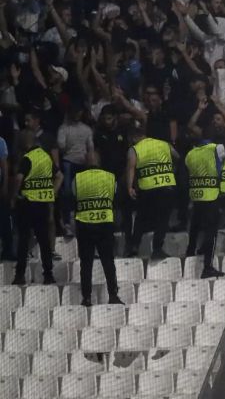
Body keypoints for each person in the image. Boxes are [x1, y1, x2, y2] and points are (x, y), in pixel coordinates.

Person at [11, 130, 62, 285]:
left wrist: (14, 196)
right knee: (45, 242)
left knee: (24, 241)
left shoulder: (27, 158)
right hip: (44, 205)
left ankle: (20, 275)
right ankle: (48, 275)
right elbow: (60, 176)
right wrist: (52, 192)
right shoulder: (46, 157)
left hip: (27, 204)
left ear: (26, 143)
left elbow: (19, 178)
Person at [124, 124, 178, 259]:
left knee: (141, 219)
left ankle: (134, 246)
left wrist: (130, 187)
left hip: (147, 189)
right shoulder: (163, 144)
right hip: (166, 186)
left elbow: (131, 167)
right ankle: (157, 249)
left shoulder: (134, 149)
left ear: (133, 137)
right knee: (163, 219)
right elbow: (177, 156)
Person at [72, 163, 122, 306]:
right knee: (108, 262)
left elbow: (74, 198)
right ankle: (113, 295)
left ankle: (86, 298)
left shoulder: (78, 178)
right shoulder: (110, 177)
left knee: (86, 264)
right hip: (105, 225)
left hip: (84, 225)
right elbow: (115, 198)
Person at [184, 133, 225, 278]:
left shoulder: (190, 154)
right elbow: (223, 170)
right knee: (211, 231)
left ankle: (190, 252)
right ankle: (207, 266)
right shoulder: (217, 148)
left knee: (195, 225)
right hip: (212, 194)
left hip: (196, 195)